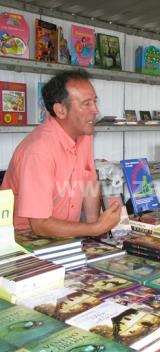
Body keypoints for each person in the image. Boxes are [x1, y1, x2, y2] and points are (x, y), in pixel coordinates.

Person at [1, 69, 121, 237]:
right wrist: (95, 228)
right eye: (86, 104)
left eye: (95, 101)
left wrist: (95, 230)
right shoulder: (39, 151)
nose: (96, 110)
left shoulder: (84, 135)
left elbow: (88, 182)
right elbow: (40, 225)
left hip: (64, 236)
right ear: (60, 110)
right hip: (24, 238)